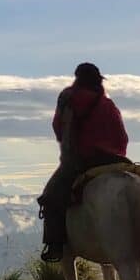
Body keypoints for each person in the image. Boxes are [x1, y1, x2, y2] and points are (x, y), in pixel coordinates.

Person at [38, 61, 128, 262]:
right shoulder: (109, 103)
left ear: (77, 78)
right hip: (116, 159)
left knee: (50, 197)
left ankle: (54, 245)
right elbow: (123, 137)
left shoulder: (69, 98)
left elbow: (58, 127)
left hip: (83, 161)